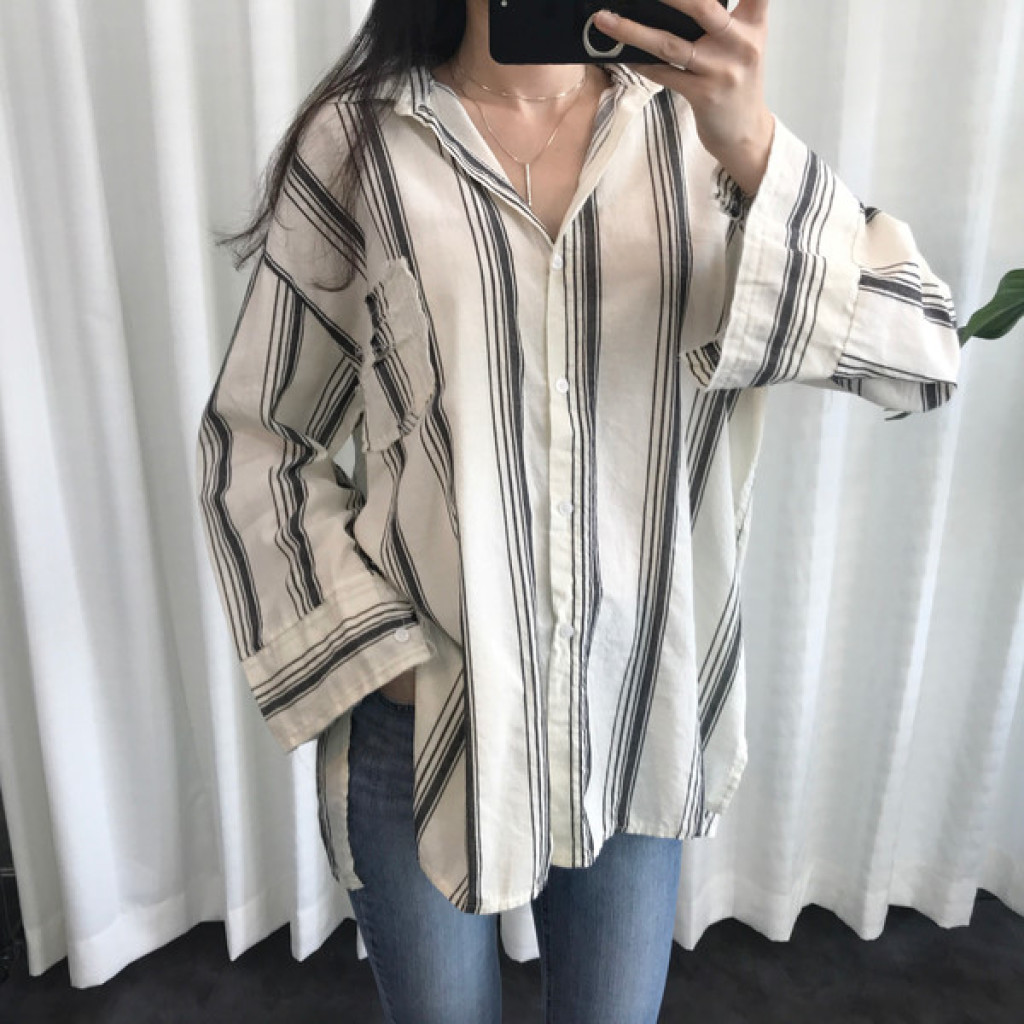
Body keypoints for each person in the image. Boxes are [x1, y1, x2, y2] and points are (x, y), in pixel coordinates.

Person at [195, 1, 960, 1021]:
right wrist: (379, 657)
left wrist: (752, 147)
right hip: (426, 725)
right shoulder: (361, 144)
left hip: (632, 711)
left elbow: (923, 353)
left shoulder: (702, 144)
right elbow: (256, 437)